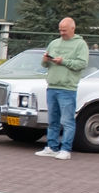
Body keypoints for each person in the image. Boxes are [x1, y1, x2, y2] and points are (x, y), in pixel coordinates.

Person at [35, 17, 90, 161]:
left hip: (67, 88)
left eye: (64, 30)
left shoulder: (80, 44)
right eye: (60, 30)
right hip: (52, 86)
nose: (62, 32)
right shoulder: (54, 43)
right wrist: (46, 59)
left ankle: (66, 149)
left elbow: (82, 64)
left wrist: (63, 61)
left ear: (73, 28)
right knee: (53, 120)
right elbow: (44, 64)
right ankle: (52, 147)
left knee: (67, 121)